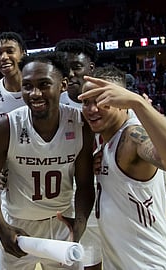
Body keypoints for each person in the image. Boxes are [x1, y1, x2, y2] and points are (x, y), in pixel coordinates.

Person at [0, 51, 95, 269]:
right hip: (16, 226)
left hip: (62, 224)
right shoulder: (5, 128)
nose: (35, 93)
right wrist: (1, 227)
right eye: (27, 86)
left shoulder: (80, 125)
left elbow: (86, 184)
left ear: (63, 85)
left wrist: (80, 222)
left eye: (44, 84)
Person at [80, 65, 166, 269]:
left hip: (148, 264)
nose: (91, 109)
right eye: (86, 102)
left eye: (101, 101)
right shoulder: (105, 140)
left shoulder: (133, 137)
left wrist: (138, 103)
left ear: (121, 103)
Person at [55, 38, 101, 270]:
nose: (70, 74)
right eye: (65, 68)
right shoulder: (53, 103)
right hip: (64, 194)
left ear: (91, 69)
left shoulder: (109, 101)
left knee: (94, 259)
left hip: (103, 192)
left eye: (77, 67)